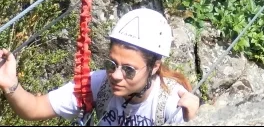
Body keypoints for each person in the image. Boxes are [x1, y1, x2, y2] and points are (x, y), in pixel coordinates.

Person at [0, 8, 200, 125]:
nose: (116, 76)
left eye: (129, 70)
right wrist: (11, 85)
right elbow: (35, 109)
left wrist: (192, 120)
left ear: (155, 66)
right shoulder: (99, 84)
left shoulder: (172, 104)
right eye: (111, 64)